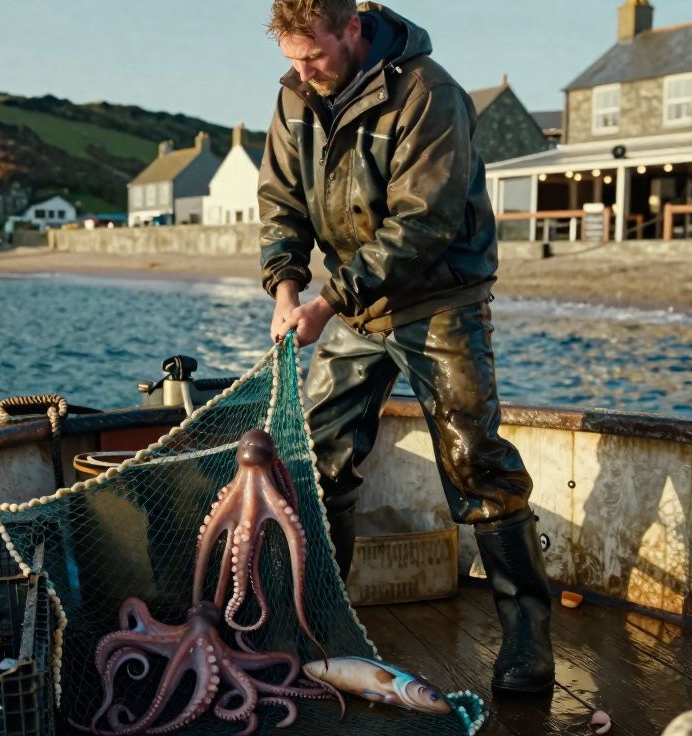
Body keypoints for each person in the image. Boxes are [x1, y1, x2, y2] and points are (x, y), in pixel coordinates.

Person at [258, 0, 554, 695]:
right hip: (355, 309)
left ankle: (527, 640)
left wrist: (328, 302)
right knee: (319, 461)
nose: (303, 72)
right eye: (291, 60)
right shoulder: (296, 95)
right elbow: (282, 204)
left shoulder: (430, 92)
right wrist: (286, 288)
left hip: (438, 301)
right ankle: (321, 624)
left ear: (353, 28)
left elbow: (425, 223)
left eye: (316, 56)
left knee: (477, 466)